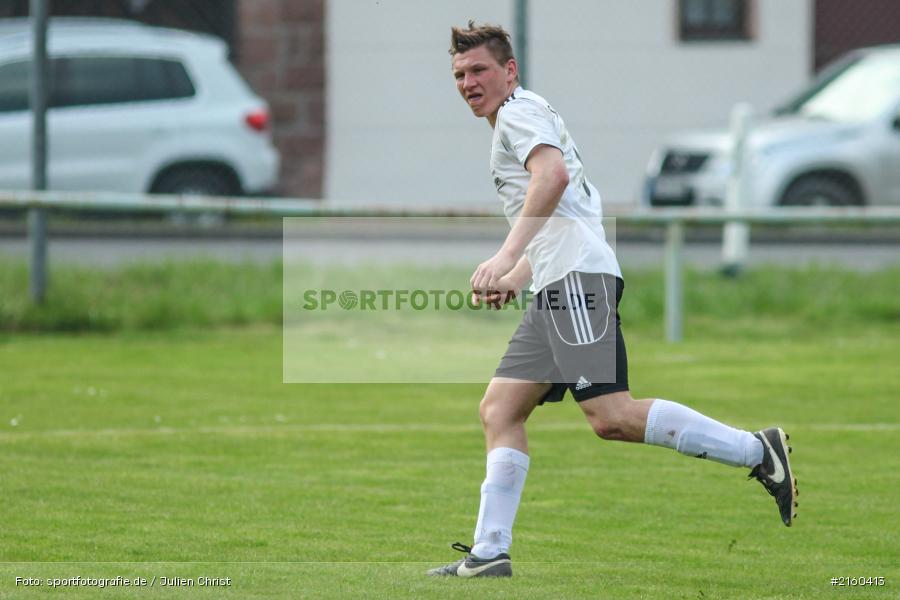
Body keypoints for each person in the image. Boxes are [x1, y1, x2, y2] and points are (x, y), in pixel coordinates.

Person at [427, 22, 798, 579]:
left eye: (479, 70)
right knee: (500, 409)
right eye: (459, 74)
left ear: (510, 71)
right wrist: (522, 272)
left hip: (576, 282)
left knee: (611, 415)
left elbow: (550, 179)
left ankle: (757, 451)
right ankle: (489, 553)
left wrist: (504, 258)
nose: (468, 82)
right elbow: (570, 214)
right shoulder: (529, 114)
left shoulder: (518, 116)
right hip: (561, 279)